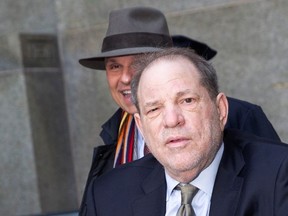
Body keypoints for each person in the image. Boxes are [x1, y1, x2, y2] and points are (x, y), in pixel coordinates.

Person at [78, 6, 280, 214]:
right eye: (114, 66)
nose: (126, 78)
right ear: (140, 123)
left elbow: (267, 183)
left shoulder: (240, 117)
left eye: (138, 63)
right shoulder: (113, 138)